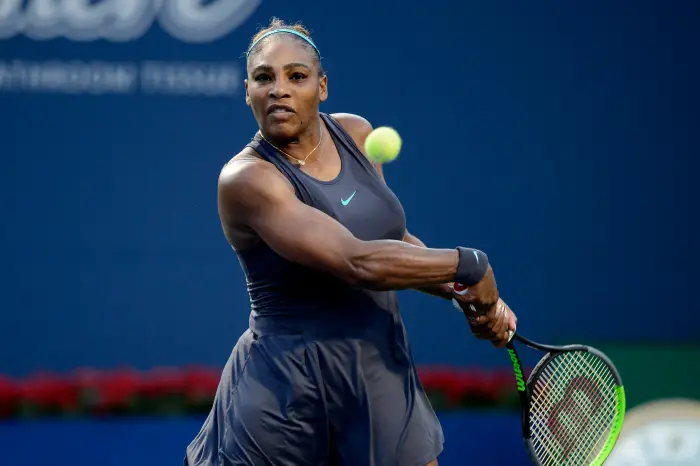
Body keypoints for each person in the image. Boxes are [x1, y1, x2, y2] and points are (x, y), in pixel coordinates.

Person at [184, 18, 517, 466]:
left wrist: (464, 297)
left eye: (296, 76)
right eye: (264, 78)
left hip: (378, 372)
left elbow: (390, 241)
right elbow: (356, 261)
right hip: (284, 391)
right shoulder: (247, 179)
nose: (278, 89)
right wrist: (469, 266)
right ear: (248, 91)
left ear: (322, 87)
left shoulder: (356, 133)